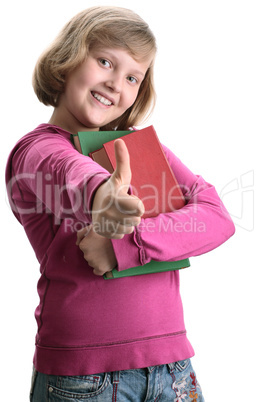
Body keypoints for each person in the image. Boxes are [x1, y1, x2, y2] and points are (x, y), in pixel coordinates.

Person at [5, 6, 235, 401]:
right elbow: (72, 175)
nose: (116, 83)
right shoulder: (36, 151)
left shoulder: (137, 147)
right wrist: (105, 197)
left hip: (174, 368)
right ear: (67, 60)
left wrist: (127, 245)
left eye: (132, 76)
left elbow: (216, 217)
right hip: (84, 377)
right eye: (105, 61)